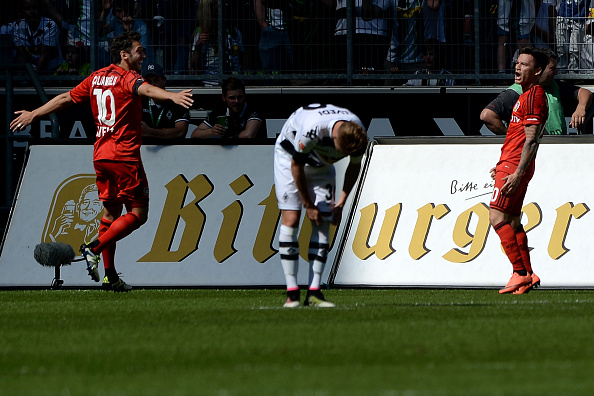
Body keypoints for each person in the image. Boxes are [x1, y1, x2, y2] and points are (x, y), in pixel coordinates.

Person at [10, 31, 194, 291]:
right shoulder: (128, 77)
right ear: (124, 54)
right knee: (139, 214)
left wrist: (34, 114)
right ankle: (93, 248)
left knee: (110, 214)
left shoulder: (96, 77)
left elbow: (65, 98)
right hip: (125, 155)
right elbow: (147, 89)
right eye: (139, 50)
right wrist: (172, 96)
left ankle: (110, 277)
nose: (143, 55)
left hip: (101, 155)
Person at [274, 103, 367, 307]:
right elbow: (296, 166)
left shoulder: (358, 134)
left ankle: (314, 292)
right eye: (339, 151)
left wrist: (341, 203)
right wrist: (308, 205)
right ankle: (292, 293)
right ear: (334, 138)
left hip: (321, 166)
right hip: (290, 157)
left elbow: (354, 165)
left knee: (324, 221)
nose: (340, 156)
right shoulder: (312, 129)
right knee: (291, 219)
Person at [488, 47, 549, 295]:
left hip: (515, 166)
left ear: (536, 71)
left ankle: (520, 273)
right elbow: (519, 137)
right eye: (517, 63)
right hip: (511, 163)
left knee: (496, 217)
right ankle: (529, 274)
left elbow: (532, 140)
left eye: (524, 64)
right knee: (512, 220)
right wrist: (503, 164)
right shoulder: (525, 96)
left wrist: (516, 172)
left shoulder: (534, 96)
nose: (518, 67)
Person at [481, 48, 593, 135]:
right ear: (540, 70)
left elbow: (584, 92)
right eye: (552, 69)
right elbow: (487, 115)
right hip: (536, 152)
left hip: (557, 149)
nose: (556, 72)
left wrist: (580, 108)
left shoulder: (553, 86)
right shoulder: (514, 93)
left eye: (523, 64)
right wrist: (512, 137)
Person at [191, 77, 266, 139]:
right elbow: (195, 134)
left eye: (240, 97)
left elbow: (249, 135)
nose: (236, 101)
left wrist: (229, 138)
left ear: (245, 96)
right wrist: (212, 131)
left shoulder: (253, 108)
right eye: (232, 98)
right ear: (224, 98)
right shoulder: (220, 110)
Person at [189, 0, 245, 85]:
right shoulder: (203, 32)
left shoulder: (234, 31)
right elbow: (194, 63)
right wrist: (198, 45)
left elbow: (242, 55)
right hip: (211, 82)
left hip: (234, 82)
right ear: (210, 8)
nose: (226, 4)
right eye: (220, 4)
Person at [141, 62, 190, 140]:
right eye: (149, 82)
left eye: (156, 80)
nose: (152, 85)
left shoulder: (178, 101)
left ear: (164, 80)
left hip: (173, 150)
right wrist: (164, 132)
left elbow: (180, 132)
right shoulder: (139, 102)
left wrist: (150, 132)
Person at [13, 0, 63, 73]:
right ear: (22, 11)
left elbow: (44, 56)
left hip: (52, 68)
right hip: (31, 68)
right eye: (27, 9)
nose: (32, 12)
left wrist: (34, 77)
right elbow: (21, 54)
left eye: (35, 8)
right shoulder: (18, 26)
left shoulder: (50, 25)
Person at [496, 0, 535, 74]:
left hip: (524, 11)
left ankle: (524, 72)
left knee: (523, 40)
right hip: (506, 9)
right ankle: (501, 72)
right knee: (503, 37)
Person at [556, 0, 590, 73]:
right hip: (563, 15)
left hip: (579, 17)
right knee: (561, 46)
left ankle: (573, 72)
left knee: (575, 49)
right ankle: (561, 72)